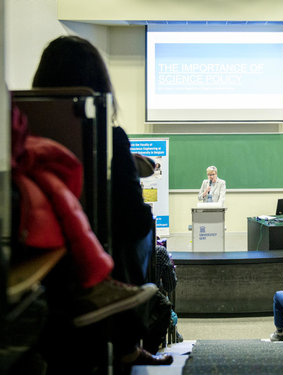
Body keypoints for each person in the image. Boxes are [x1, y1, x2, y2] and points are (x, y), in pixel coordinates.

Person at [31, 35, 173, 369]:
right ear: (99, 86)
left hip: (40, 259)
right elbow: (134, 220)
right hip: (94, 265)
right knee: (143, 228)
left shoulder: (24, 134)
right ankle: (126, 342)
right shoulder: (109, 139)